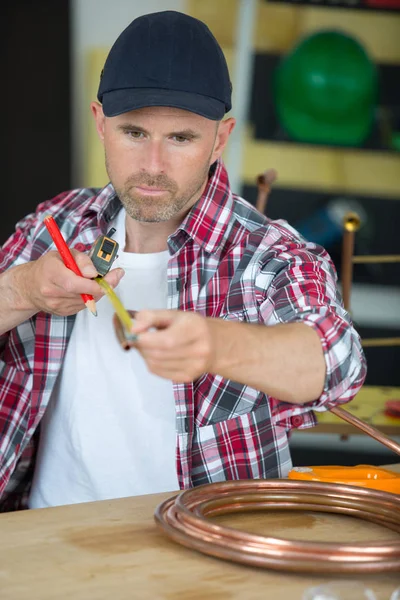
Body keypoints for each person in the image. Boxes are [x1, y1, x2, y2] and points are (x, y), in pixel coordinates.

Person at [0, 10, 366, 512]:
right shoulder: (53, 226)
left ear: (219, 138)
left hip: (197, 568)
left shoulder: (267, 254)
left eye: (180, 138)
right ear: (100, 123)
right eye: (133, 133)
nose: (152, 165)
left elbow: (341, 367)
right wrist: (22, 290)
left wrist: (217, 345)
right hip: (45, 547)